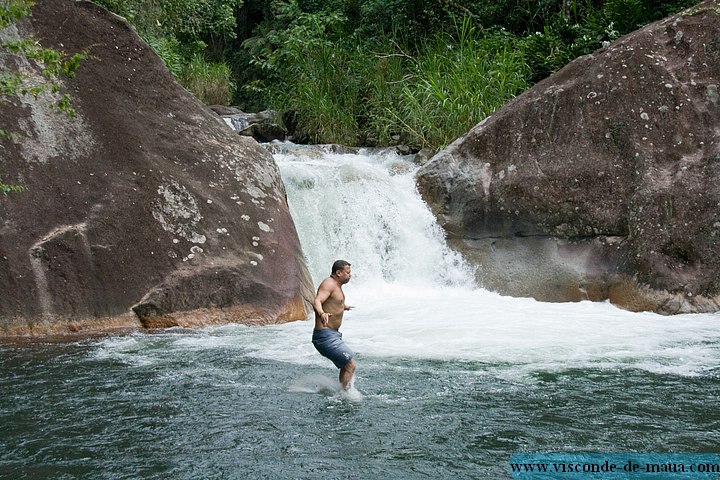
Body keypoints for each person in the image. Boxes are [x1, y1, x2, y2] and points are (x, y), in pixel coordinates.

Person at [312, 260, 356, 390]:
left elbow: (332, 302)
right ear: (338, 272)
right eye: (348, 272)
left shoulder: (336, 285)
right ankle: (345, 395)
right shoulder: (329, 284)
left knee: (346, 365)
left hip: (333, 335)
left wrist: (342, 307)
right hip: (324, 337)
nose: (350, 275)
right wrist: (321, 313)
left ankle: (343, 391)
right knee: (350, 365)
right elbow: (317, 301)